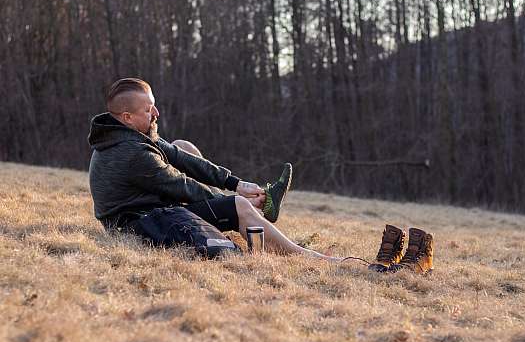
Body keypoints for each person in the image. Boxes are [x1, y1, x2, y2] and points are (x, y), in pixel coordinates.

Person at [88, 77, 341, 262]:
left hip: (152, 205)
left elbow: (184, 160)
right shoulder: (133, 154)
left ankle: (255, 216)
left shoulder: (129, 134)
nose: (156, 113)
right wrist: (237, 202)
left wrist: (237, 184)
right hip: (140, 222)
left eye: (153, 105)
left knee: (182, 146)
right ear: (127, 117)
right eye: (148, 109)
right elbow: (182, 186)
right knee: (239, 207)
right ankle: (308, 256)